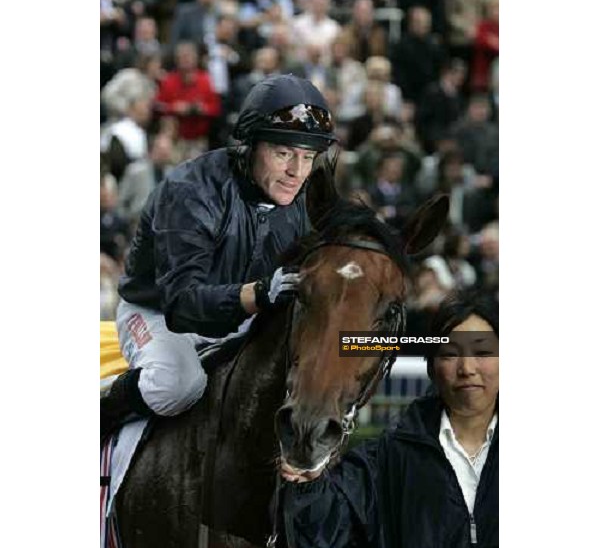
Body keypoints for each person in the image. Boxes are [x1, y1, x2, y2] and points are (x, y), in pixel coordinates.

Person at [100, 74, 337, 439]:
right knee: (178, 385)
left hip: (239, 317)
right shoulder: (189, 191)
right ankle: (101, 410)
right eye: (284, 153)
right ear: (248, 146)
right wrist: (259, 294)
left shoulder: (303, 203)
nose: (297, 172)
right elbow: (182, 304)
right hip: (158, 312)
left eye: (307, 157)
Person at [279, 289, 499, 548]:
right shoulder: (385, 458)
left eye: (482, 353)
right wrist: (310, 487)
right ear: (431, 366)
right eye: (450, 354)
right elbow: (331, 530)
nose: (467, 369)